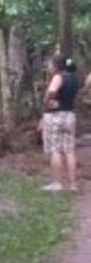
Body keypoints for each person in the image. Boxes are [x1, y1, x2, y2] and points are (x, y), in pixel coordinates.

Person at [41, 55, 78, 192]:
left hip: (56, 115)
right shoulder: (75, 79)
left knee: (55, 150)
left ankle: (57, 183)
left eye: (50, 64)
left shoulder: (58, 77)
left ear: (56, 66)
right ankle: (73, 184)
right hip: (69, 115)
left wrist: (47, 100)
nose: (48, 67)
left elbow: (52, 92)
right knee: (69, 150)